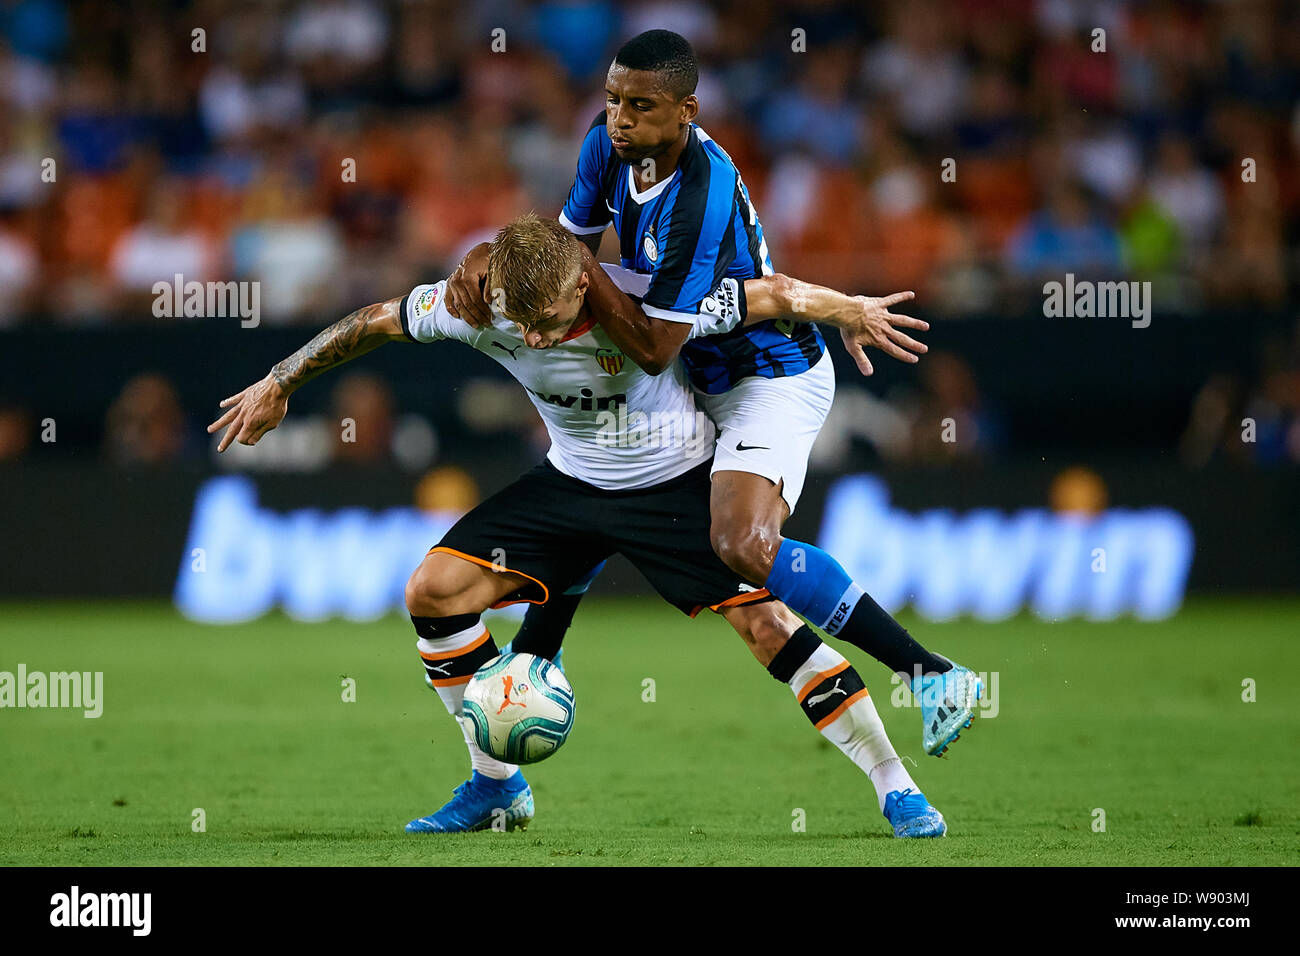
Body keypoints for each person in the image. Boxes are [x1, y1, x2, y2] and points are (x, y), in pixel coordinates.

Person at [208, 213, 948, 838]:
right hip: (570, 483)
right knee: (432, 591)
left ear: (581, 286)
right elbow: (373, 321)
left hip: (676, 484)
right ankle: (495, 783)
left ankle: (895, 782)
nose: (532, 341)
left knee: (768, 629)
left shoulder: (655, 304)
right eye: (519, 323)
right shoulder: (476, 303)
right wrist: (280, 381)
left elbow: (774, 293)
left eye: (549, 322)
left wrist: (849, 308)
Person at [446, 31, 981, 756]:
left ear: (686, 111)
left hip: (765, 372)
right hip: (692, 369)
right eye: (611, 101)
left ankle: (933, 674)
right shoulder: (605, 148)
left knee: (741, 543)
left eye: (641, 105)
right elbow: (562, 248)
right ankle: (541, 654)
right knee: (606, 472)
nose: (620, 118)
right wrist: (490, 256)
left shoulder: (702, 194)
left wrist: (584, 273)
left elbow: (653, 341)